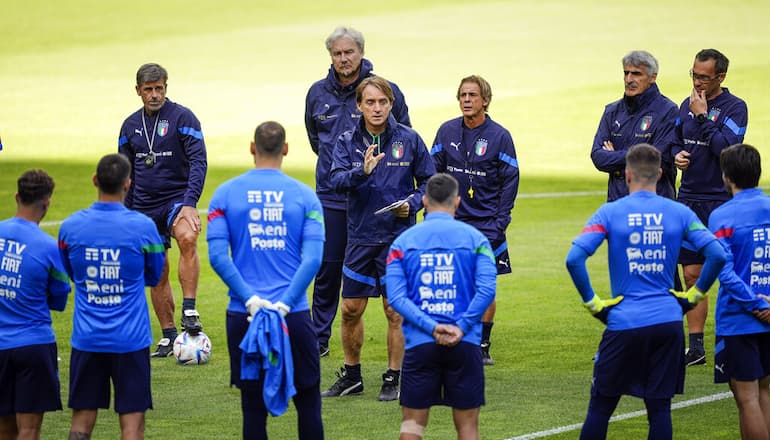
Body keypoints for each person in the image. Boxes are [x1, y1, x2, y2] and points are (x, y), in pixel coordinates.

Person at [565, 143, 726, 440]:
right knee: (659, 410)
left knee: (601, 407)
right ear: (661, 173)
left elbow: (574, 259)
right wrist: (692, 297)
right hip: (667, 322)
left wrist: (594, 304)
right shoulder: (679, 212)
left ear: (626, 174)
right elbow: (717, 254)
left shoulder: (610, 212)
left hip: (624, 321)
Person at [207, 121, 325, 439]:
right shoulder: (305, 197)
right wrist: (285, 304)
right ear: (285, 149)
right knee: (309, 401)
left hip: (245, 316)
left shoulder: (225, 194)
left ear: (251, 148)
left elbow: (218, 257)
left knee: (253, 407)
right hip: (295, 317)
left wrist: (250, 299)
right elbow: (313, 258)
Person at [322, 76, 435, 401]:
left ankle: (393, 377)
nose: (377, 108)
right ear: (359, 105)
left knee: (394, 311)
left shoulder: (410, 139)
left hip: (397, 240)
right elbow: (335, 181)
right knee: (350, 309)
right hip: (360, 238)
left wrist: (412, 204)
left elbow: (428, 181)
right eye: (370, 102)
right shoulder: (346, 140)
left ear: (391, 104)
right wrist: (363, 172)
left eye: (382, 102)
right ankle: (353, 375)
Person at [305, 26, 411, 358]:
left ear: (361, 53)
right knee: (328, 267)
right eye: (337, 53)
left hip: (377, 200)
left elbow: (404, 136)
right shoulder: (317, 93)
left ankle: (398, 346)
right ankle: (319, 337)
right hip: (333, 194)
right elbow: (315, 141)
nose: (343, 59)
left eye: (349, 52)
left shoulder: (383, 90)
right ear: (330, 57)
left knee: (385, 271)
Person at [58, 154, 165, 440]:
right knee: (132, 425)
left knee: (81, 420)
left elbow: (68, 270)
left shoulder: (70, 227)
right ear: (128, 184)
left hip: (87, 338)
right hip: (130, 340)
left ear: (95, 180)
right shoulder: (144, 228)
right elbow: (154, 277)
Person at [385, 173, 497, 440]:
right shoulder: (477, 240)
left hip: (420, 345)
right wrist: (460, 327)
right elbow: (487, 290)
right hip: (465, 343)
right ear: (457, 202)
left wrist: (432, 327)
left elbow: (397, 298)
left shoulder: (402, 243)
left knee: (411, 426)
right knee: (468, 428)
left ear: (424, 201)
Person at [118, 62, 208, 357]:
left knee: (188, 236)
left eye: (159, 88)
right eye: (148, 90)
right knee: (157, 270)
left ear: (166, 88)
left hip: (175, 200)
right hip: (142, 206)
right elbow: (124, 173)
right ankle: (169, 336)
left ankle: (190, 309)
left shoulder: (183, 117)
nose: (155, 94)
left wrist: (190, 203)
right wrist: (124, 214)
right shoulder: (129, 126)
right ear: (138, 91)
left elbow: (198, 162)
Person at [430, 75, 519, 366]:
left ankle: (481, 344)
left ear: (485, 100)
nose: (467, 100)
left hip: (487, 224)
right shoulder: (446, 132)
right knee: (452, 282)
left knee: (485, 284)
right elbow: (433, 173)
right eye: (463, 95)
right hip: (452, 222)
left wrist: (500, 222)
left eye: (472, 95)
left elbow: (510, 180)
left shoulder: (500, 136)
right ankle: (452, 336)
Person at [673, 49, 749, 367]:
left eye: (704, 76)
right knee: (691, 275)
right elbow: (675, 139)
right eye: (694, 74)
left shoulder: (735, 107)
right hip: (689, 198)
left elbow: (728, 151)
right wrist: (677, 155)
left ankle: (736, 338)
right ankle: (696, 346)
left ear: (720, 77)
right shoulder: (685, 105)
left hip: (720, 201)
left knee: (727, 272)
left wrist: (704, 117)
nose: (697, 82)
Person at [0, 170, 71, 440]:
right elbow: (58, 299)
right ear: (47, 202)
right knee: (29, 430)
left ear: (17, 196)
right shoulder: (50, 247)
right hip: (33, 345)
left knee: (4, 428)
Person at [708, 144, 770, 439]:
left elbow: (725, 271)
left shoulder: (722, 217)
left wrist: (755, 302)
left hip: (739, 318)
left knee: (746, 398)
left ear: (726, 176)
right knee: (765, 391)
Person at [591, 50, 679, 202]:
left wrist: (615, 157)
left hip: (655, 204)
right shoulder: (612, 111)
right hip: (618, 202)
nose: (629, 79)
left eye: (637, 74)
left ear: (653, 77)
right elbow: (598, 157)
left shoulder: (668, 111)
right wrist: (640, 154)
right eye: (626, 73)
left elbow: (657, 158)